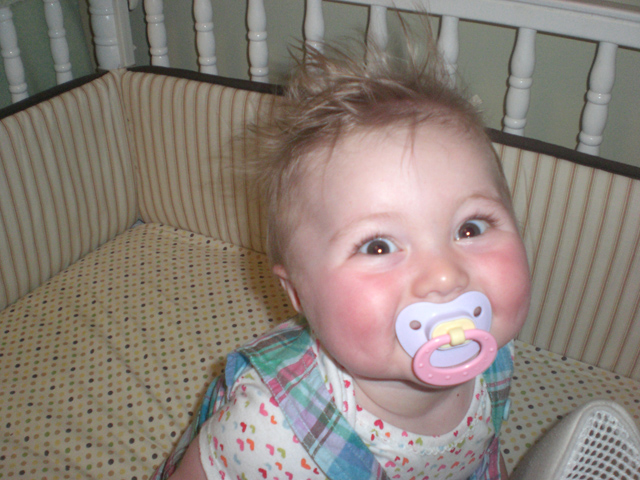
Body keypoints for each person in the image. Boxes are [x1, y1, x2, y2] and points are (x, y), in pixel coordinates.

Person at [158, 36, 531, 480]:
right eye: (378, 246)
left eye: (470, 228)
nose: (446, 277)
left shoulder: (488, 350)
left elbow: (483, 445)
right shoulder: (267, 428)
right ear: (298, 295)